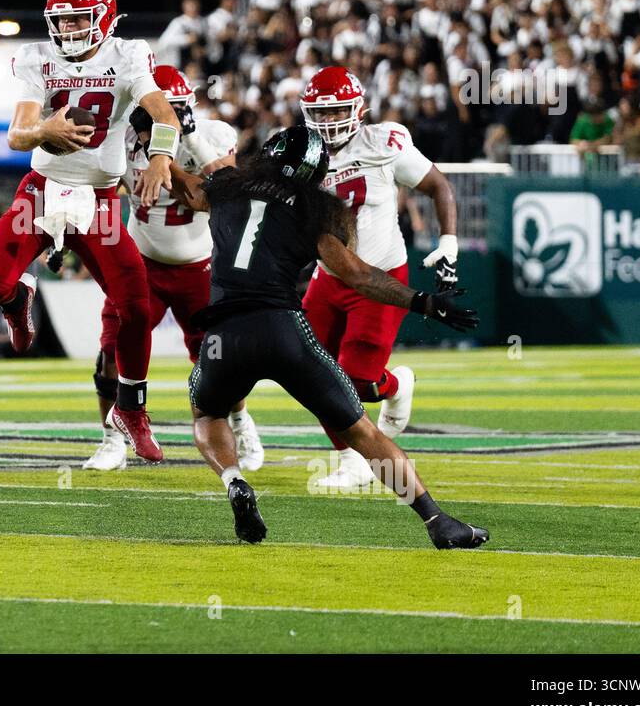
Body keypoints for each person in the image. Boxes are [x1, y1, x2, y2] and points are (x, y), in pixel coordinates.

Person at [170, 127, 488, 548]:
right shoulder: (315, 209)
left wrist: (155, 155)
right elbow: (358, 275)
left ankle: (234, 481)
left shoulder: (228, 186)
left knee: (208, 415)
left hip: (225, 333)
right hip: (283, 329)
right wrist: (425, 302)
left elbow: (188, 190)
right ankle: (437, 521)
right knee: (365, 434)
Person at [0, 0, 182, 462]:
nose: (68, 31)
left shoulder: (127, 56)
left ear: (104, 17)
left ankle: (131, 407)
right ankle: (17, 295)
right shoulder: (37, 59)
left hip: (100, 200)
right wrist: (45, 129)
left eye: (78, 20)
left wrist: (158, 159)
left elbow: (165, 116)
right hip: (42, 192)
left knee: (136, 306)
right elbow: (16, 135)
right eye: (61, 22)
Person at [86, 65, 262, 471]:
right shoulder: (121, 137)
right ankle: (111, 438)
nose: (159, 119)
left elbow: (216, 197)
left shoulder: (211, 136)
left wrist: (166, 159)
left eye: (170, 110)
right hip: (140, 263)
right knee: (110, 350)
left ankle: (238, 420)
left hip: (199, 268)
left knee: (217, 359)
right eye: (152, 110)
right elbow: (100, 189)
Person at [298, 66, 463, 489]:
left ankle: (394, 385)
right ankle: (351, 460)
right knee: (308, 373)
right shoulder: (299, 153)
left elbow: (438, 185)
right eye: (321, 114)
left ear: (358, 110)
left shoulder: (384, 142)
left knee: (358, 381)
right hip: (328, 278)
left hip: (379, 276)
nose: (329, 123)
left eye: (337, 113)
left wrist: (448, 239)